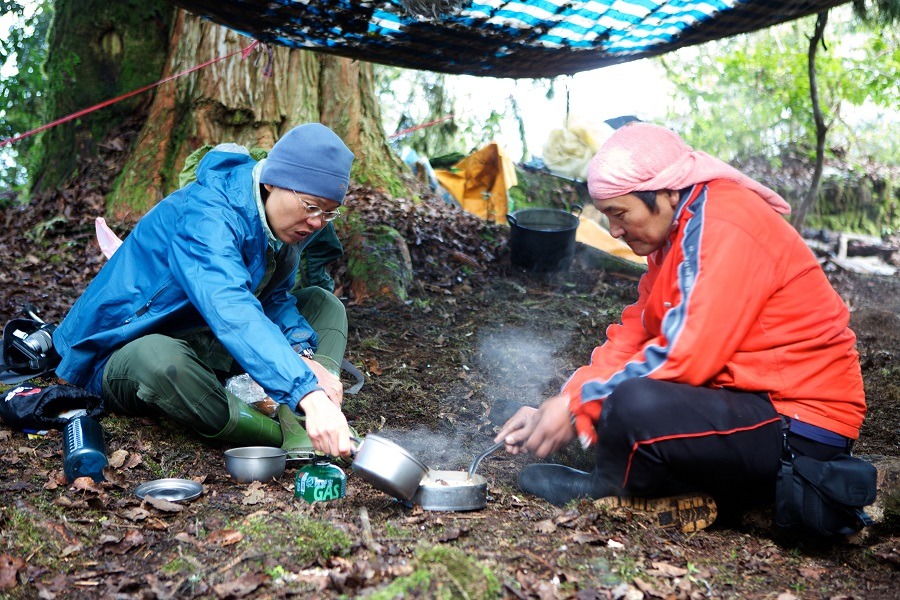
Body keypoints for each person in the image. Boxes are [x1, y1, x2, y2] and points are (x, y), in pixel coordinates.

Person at [495, 122, 866, 529]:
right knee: (617, 401)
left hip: (799, 428)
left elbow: (686, 354)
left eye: (620, 214)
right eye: (607, 217)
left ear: (668, 191)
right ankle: (694, 495)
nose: (614, 231)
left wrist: (577, 409)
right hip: (752, 409)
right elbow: (634, 335)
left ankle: (611, 493)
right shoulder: (676, 237)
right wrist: (566, 399)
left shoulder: (725, 221)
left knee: (634, 403)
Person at [53, 123, 356, 458]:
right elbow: (230, 307)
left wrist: (302, 356)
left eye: (328, 213)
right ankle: (286, 434)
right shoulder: (206, 215)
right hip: (120, 347)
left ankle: (303, 417)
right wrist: (306, 391)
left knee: (324, 304)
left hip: (203, 337)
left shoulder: (284, 224)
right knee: (162, 360)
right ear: (272, 181)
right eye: (311, 206)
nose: (317, 222)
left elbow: (273, 298)